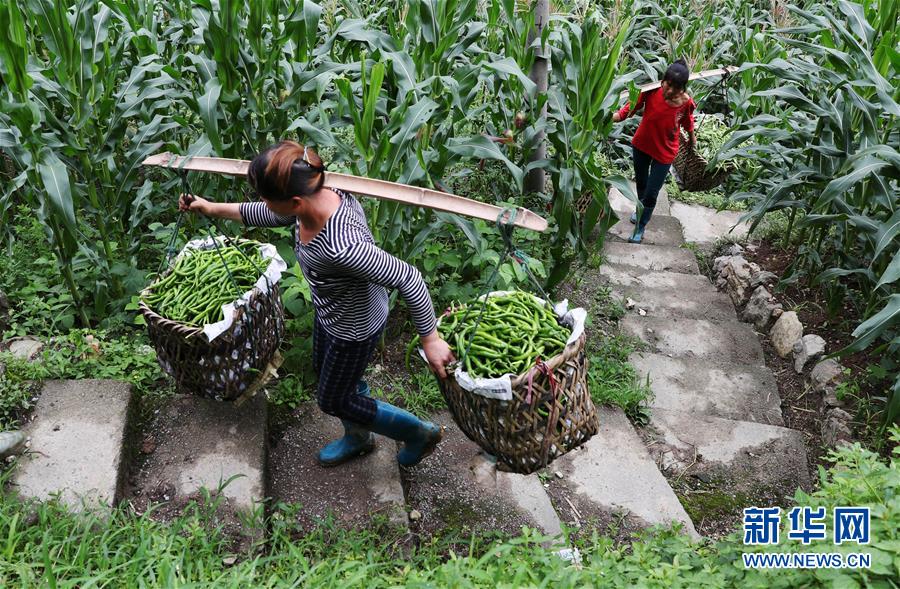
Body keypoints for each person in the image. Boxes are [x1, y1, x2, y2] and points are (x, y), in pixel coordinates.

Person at [179, 140, 454, 467]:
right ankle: (358, 436)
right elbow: (269, 213)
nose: (262, 203)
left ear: (295, 202)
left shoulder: (342, 246)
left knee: (333, 399)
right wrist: (211, 208)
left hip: (354, 328)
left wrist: (430, 339)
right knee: (328, 373)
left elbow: (408, 277)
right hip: (332, 315)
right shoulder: (316, 193)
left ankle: (417, 433)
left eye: (265, 197)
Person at [612, 59, 696, 243]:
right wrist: (610, 116)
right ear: (662, 81)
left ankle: (640, 225)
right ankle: (640, 210)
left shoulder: (686, 102)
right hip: (642, 145)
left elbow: (688, 122)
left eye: (676, 88)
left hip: (665, 152)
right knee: (642, 185)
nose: (670, 90)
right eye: (668, 84)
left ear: (683, 88)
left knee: (651, 192)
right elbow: (628, 110)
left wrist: (692, 140)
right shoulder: (650, 91)